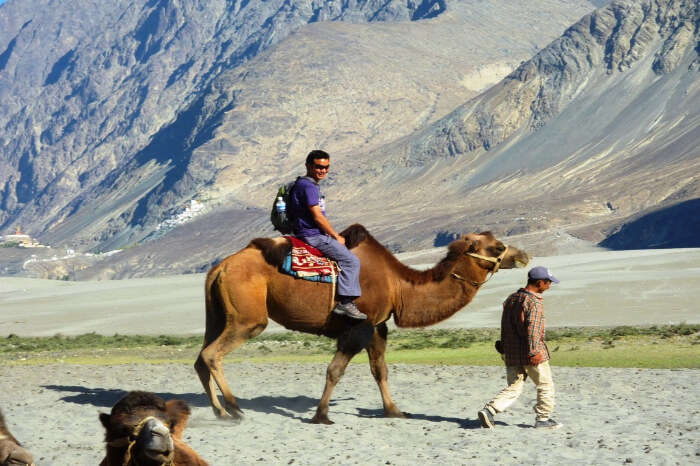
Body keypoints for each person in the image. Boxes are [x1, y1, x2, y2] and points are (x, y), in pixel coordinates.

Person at [477, 265, 562, 429]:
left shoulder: (511, 299)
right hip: (531, 354)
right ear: (539, 283)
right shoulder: (533, 302)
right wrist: (534, 351)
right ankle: (543, 419)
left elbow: (505, 326)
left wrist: (503, 346)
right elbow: (533, 330)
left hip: (512, 353)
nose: (549, 286)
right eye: (548, 282)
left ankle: (489, 411)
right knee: (545, 385)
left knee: (514, 387)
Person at [287, 150, 366, 320]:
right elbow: (317, 216)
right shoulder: (308, 187)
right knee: (351, 261)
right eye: (318, 167)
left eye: (326, 167)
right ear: (308, 165)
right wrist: (335, 236)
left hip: (304, 232)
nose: (322, 170)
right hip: (312, 235)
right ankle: (345, 302)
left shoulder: (301, 184)